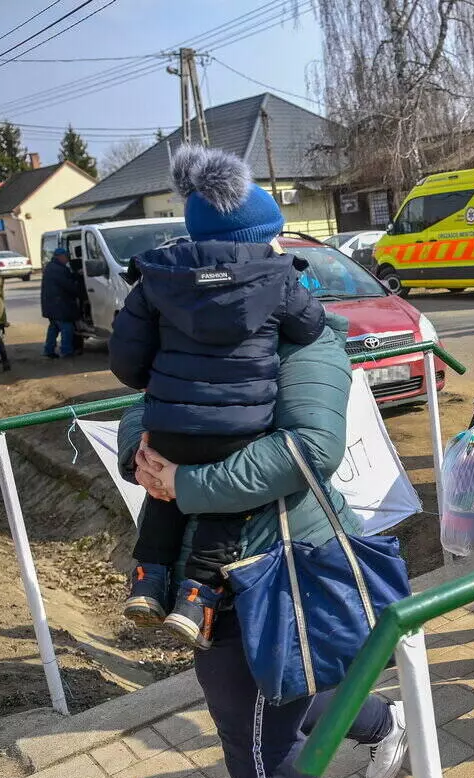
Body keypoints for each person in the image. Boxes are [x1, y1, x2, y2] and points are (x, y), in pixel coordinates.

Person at [118, 304, 408, 778]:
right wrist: (144, 452)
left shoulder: (303, 336)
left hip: (278, 561)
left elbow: (307, 449)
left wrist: (186, 478)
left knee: (258, 742)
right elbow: (145, 404)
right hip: (197, 555)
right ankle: (381, 721)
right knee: (282, 685)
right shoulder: (191, 324)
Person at [111, 146, 326, 649]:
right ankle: (196, 598)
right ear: (258, 234)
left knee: (163, 494)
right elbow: (311, 326)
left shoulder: (156, 277)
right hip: (239, 431)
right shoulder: (278, 277)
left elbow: (125, 363)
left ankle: (147, 580)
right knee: (225, 511)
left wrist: (157, 381)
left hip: (169, 425)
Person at [41, 246, 85, 359]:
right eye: (66, 256)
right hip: (59, 305)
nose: (68, 259)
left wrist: (76, 274)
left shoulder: (52, 267)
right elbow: (67, 285)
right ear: (60, 257)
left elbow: (66, 278)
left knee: (54, 328)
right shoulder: (58, 269)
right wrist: (80, 292)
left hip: (51, 305)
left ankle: (48, 350)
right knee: (67, 328)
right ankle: (66, 351)